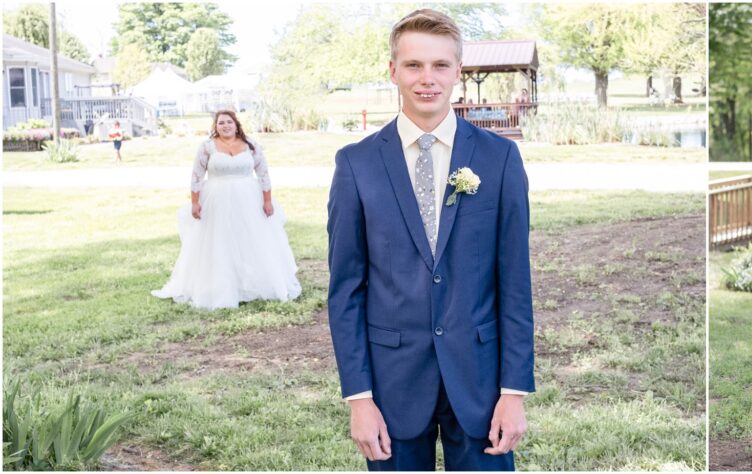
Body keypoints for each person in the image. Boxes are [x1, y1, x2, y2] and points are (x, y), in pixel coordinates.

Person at [327, 9, 534, 471]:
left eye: (440, 65)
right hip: (390, 385)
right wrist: (359, 399)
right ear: (393, 71)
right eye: (414, 65)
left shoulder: (500, 159)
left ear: (458, 72)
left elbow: (515, 283)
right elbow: (346, 291)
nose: (428, 79)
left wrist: (513, 392)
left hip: (480, 383)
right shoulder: (356, 165)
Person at [152, 110, 301, 310]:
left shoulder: (251, 145)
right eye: (221, 123)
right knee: (220, 241)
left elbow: (263, 174)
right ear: (216, 126)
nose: (225, 126)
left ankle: (252, 283)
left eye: (229, 122)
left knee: (250, 240)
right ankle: (220, 286)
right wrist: (195, 202)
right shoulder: (207, 147)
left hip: (248, 199)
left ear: (236, 124)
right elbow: (196, 176)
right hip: (216, 199)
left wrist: (267, 200)